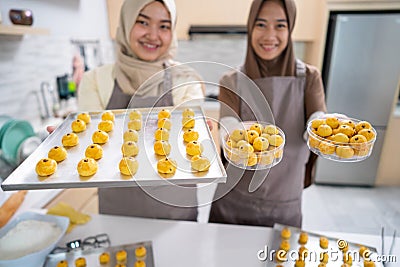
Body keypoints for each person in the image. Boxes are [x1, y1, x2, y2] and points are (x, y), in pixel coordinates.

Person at [77, 0, 204, 220]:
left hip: (175, 209)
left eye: (164, 26)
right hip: (120, 209)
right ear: (126, 24)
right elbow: (93, 144)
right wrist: (76, 140)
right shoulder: (95, 80)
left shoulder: (186, 79)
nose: (153, 35)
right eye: (143, 22)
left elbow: (188, 138)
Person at [208, 0, 327, 227]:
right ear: (250, 26)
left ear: (290, 29)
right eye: (261, 24)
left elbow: (317, 121)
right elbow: (229, 125)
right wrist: (231, 133)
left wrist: (319, 130)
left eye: (280, 26)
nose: (269, 35)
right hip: (233, 200)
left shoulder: (309, 78)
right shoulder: (231, 81)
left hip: (283, 200)